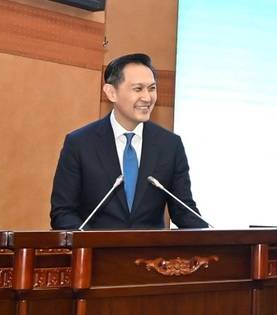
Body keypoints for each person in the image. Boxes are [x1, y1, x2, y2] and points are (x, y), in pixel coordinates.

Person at [49, 53, 207, 230]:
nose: (147, 98)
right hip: (94, 247)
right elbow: (63, 213)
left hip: (150, 248)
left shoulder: (170, 145)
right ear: (111, 93)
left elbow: (184, 211)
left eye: (152, 88)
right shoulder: (79, 143)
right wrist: (89, 241)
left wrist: (214, 237)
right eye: (138, 89)